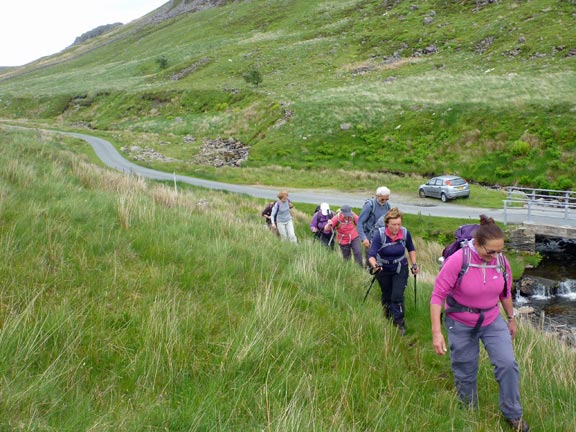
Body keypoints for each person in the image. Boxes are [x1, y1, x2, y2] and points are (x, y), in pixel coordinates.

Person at [430, 215, 529, 432]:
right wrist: (437, 333)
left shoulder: (501, 262)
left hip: (492, 320)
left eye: (499, 251)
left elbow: (505, 294)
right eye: (490, 251)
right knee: (465, 369)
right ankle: (469, 412)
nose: (494, 256)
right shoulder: (459, 260)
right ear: (477, 244)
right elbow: (437, 296)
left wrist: (511, 319)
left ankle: (513, 415)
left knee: (507, 364)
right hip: (460, 322)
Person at [367, 207, 418, 335]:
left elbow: (411, 249)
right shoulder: (380, 234)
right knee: (386, 294)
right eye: (394, 225)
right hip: (383, 269)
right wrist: (375, 265)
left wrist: (414, 264)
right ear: (387, 224)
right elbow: (371, 254)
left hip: (400, 268)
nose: (397, 227)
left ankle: (399, 322)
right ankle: (387, 316)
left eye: (399, 224)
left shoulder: (405, 233)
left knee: (397, 296)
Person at [357, 187, 392, 267]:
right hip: (370, 239)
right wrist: (364, 238)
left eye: (387, 199)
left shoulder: (387, 206)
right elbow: (360, 223)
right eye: (383, 199)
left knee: (382, 260)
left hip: (382, 238)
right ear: (377, 196)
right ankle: (368, 275)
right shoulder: (370, 206)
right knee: (370, 261)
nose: (385, 201)